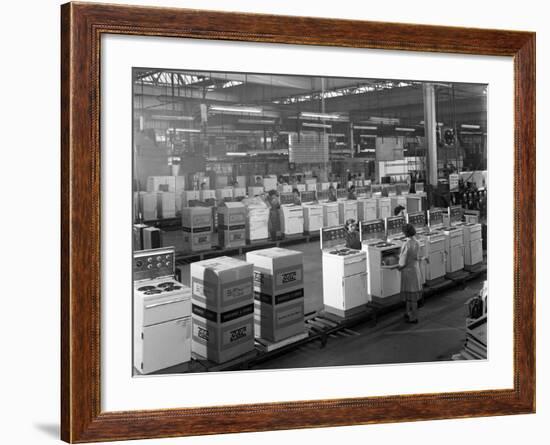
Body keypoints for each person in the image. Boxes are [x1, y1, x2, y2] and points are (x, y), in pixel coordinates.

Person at [397, 223, 424, 323]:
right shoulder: (416, 242)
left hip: (408, 272)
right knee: (411, 295)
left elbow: (403, 261)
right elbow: (417, 256)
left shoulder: (406, 244)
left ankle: (414, 317)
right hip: (415, 270)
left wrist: (398, 267)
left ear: (405, 233)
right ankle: (407, 312)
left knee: (411, 297)